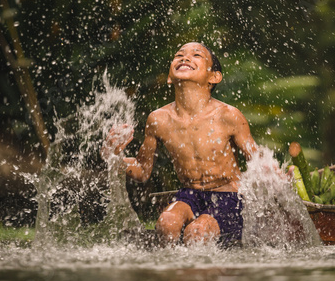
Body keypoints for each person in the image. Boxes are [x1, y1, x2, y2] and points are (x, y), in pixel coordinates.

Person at [102, 42, 258, 246]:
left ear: (214, 77)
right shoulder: (158, 120)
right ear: (169, 77)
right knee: (166, 223)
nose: (185, 58)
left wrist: (277, 177)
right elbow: (142, 170)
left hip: (228, 196)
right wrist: (112, 156)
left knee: (198, 231)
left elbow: (258, 160)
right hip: (189, 194)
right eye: (179, 55)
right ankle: (171, 273)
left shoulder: (228, 116)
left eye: (196, 55)